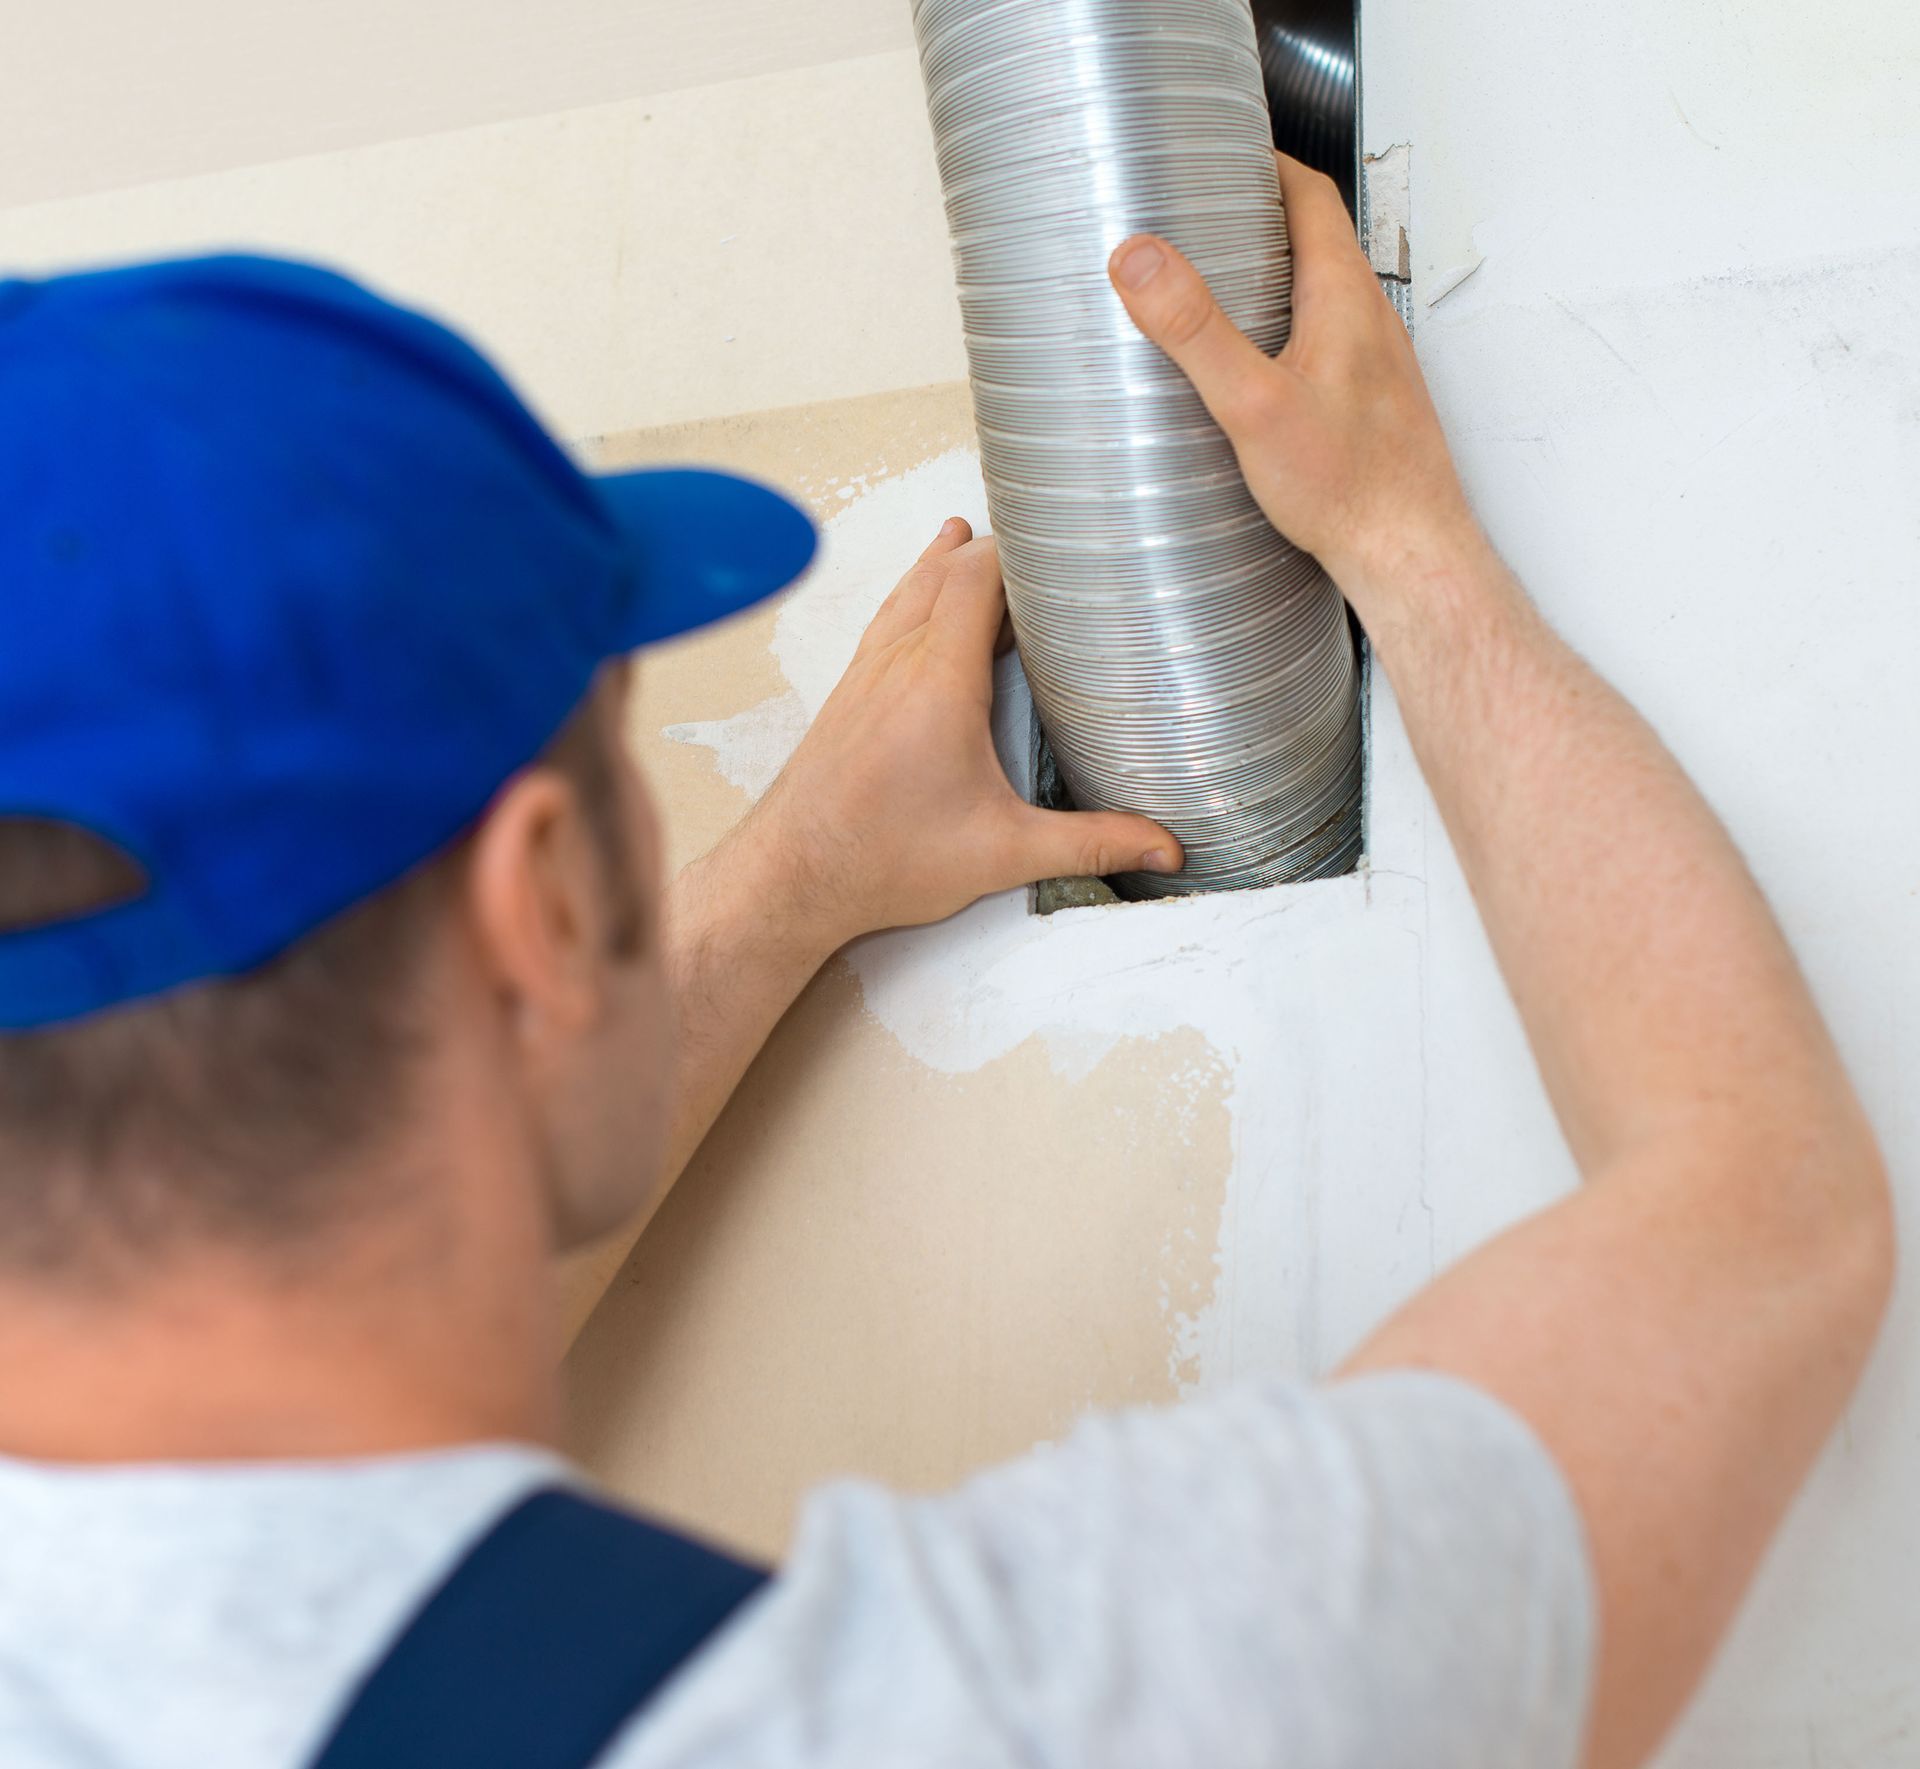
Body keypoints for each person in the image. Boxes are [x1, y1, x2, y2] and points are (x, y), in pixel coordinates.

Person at [0, 154, 1891, 1769]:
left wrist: (810, 872)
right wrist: (1410, 546)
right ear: (544, 907)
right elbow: (1763, 1217)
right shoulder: (957, 1715)